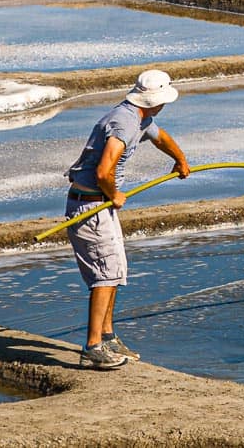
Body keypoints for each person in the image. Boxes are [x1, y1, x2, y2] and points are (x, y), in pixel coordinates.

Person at [64, 69, 190, 370]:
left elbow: (162, 139)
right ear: (154, 100)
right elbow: (103, 171)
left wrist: (181, 160)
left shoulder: (140, 118)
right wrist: (114, 193)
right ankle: (93, 346)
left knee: (115, 271)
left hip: (100, 205)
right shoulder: (124, 122)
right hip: (89, 206)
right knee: (105, 275)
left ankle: (107, 337)